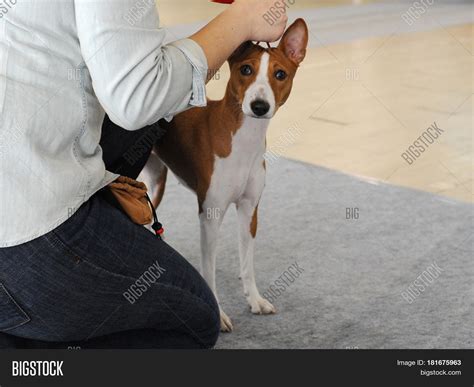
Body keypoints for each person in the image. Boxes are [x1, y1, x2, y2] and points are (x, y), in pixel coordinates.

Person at [0, 0, 287, 349]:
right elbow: (138, 96)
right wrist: (240, 21)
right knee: (192, 319)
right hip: (21, 232)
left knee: (158, 113)